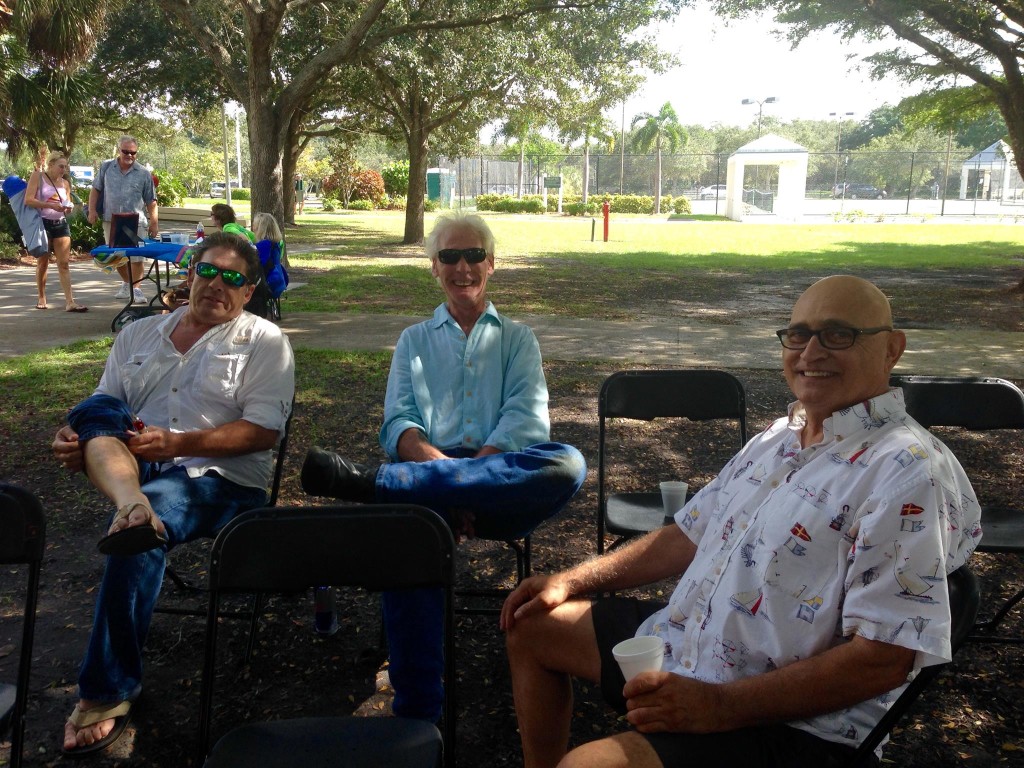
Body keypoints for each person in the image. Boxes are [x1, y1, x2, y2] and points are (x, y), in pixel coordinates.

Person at [502, 275, 983, 768]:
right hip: (687, 647)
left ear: (892, 349)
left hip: (792, 721)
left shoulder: (908, 471)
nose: (810, 352)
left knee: (589, 766)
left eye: (838, 334)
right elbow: (690, 533)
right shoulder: (780, 436)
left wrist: (717, 707)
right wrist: (569, 580)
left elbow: (885, 658)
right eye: (798, 335)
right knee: (532, 623)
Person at [300, 212, 587, 723]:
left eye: (474, 254)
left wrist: (463, 486)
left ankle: (376, 485)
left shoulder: (519, 339)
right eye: (450, 256)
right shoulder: (413, 340)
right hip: (428, 489)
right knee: (408, 540)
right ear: (434, 267)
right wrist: (447, 485)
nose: (463, 266)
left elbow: (526, 421)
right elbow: (400, 425)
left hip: (498, 486)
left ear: (492, 264)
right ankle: (417, 717)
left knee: (567, 463)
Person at [52, 230, 295, 756]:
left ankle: (106, 691)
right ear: (190, 273)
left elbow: (262, 432)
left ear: (248, 292)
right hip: (136, 468)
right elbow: (105, 405)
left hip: (223, 482)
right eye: (208, 271)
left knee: (146, 522)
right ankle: (130, 505)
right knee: (96, 417)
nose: (217, 285)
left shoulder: (263, 342)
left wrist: (181, 442)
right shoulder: (138, 336)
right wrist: (77, 436)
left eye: (233, 278)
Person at [88, 135, 158, 304]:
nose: (129, 156)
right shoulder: (106, 167)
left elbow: (151, 200)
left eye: (133, 152)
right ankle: (128, 283)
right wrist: (91, 210)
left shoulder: (143, 173)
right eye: (126, 152)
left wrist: (154, 223)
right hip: (111, 220)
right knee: (116, 257)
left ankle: (137, 289)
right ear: (118, 150)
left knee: (137, 258)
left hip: (136, 221)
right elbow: (95, 190)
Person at [24, 151, 87, 312]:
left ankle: (70, 301)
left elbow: (67, 202)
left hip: (60, 223)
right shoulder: (38, 177)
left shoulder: (65, 183)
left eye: (65, 167)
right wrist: (50, 205)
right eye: (60, 166)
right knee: (43, 262)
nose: (63, 170)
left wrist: (68, 208)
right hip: (42, 223)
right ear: (51, 165)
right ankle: (41, 296)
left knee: (64, 263)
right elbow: (28, 200)